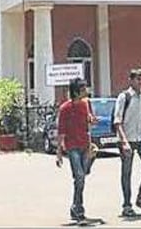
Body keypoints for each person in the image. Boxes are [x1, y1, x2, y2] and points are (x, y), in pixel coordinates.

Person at [113, 68, 141, 217]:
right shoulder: (124, 97)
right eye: (138, 79)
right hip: (127, 139)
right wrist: (124, 142)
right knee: (127, 172)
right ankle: (126, 205)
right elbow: (117, 122)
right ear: (131, 80)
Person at [56, 78, 98, 221]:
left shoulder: (86, 104)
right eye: (84, 89)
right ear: (76, 91)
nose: (87, 91)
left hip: (85, 145)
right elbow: (61, 131)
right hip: (72, 146)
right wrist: (59, 153)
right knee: (79, 177)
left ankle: (75, 206)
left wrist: (92, 120)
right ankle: (78, 207)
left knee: (81, 177)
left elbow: (90, 120)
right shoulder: (65, 108)